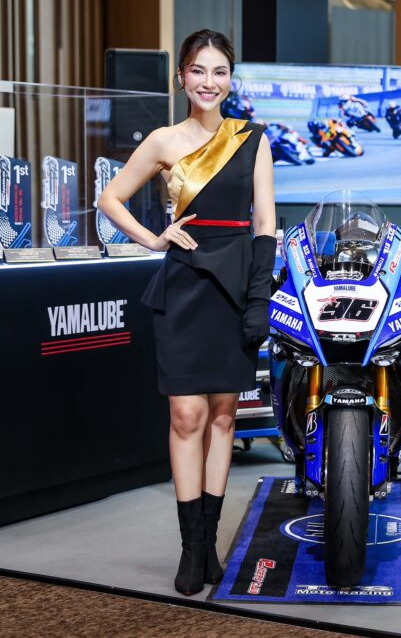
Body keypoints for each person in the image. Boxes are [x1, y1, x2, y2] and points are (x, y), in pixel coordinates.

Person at [98, 29, 276, 596]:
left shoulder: (252, 139)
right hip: (183, 285)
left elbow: (265, 226)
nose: (209, 82)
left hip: (234, 289)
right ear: (182, 77)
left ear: (231, 79)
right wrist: (154, 238)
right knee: (185, 417)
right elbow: (109, 198)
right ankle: (190, 548)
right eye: (199, 70)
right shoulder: (163, 140)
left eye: (220, 71)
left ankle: (210, 544)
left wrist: (259, 300)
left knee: (223, 417)